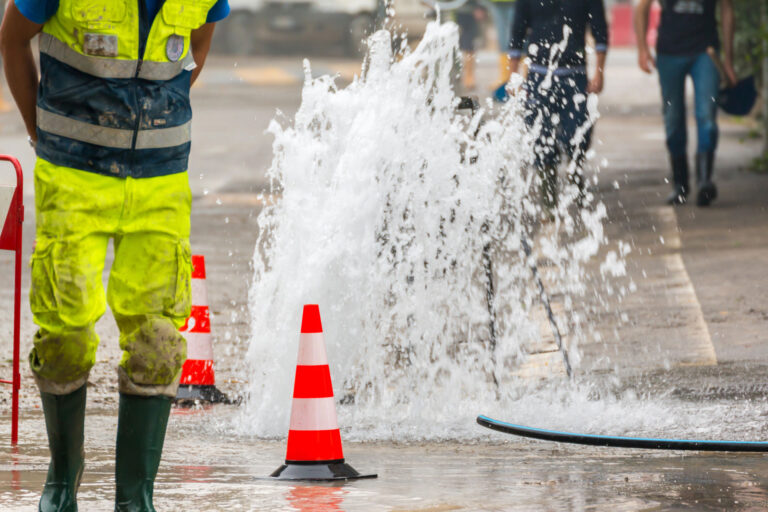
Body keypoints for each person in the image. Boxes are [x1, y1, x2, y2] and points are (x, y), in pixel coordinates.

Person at [0, 0, 229, 509]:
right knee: (64, 331)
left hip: (161, 180)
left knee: (159, 341)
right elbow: (13, 38)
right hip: (73, 175)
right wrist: (41, 133)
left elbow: (200, 40)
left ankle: (135, 496)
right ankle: (62, 478)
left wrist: (155, 123)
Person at [508, 0, 608, 212]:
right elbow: (518, 29)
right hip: (538, 74)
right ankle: (548, 200)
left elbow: (600, 28)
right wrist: (513, 74)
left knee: (578, 133)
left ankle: (576, 176)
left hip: (575, 74)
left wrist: (599, 71)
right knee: (541, 138)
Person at [635, 0, 736, 206]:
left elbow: (727, 9)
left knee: (707, 115)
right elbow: (642, 8)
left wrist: (728, 60)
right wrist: (642, 48)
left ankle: (704, 180)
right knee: (673, 118)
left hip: (706, 52)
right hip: (669, 52)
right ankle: (680, 184)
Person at [455, 0, 486, 91]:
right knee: (456, 45)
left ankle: (469, 76)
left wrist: (480, 7)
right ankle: (459, 74)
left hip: (470, 11)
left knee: (469, 45)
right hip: (453, 9)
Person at [487, 0, 516, 92]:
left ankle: (519, 77)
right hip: (497, 2)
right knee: (502, 39)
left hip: (516, 3)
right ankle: (505, 77)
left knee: (517, 36)